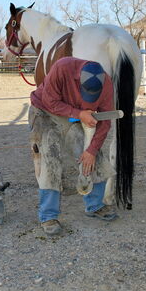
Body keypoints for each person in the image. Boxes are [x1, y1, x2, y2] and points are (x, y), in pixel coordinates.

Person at [29, 57, 118, 236]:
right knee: (50, 159)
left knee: (93, 157)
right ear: (78, 80)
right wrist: (79, 113)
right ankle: (48, 216)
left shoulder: (106, 83)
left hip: (73, 115)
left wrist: (91, 150)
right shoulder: (62, 68)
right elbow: (50, 102)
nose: (89, 100)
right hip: (44, 112)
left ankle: (95, 205)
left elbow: (105, 120)